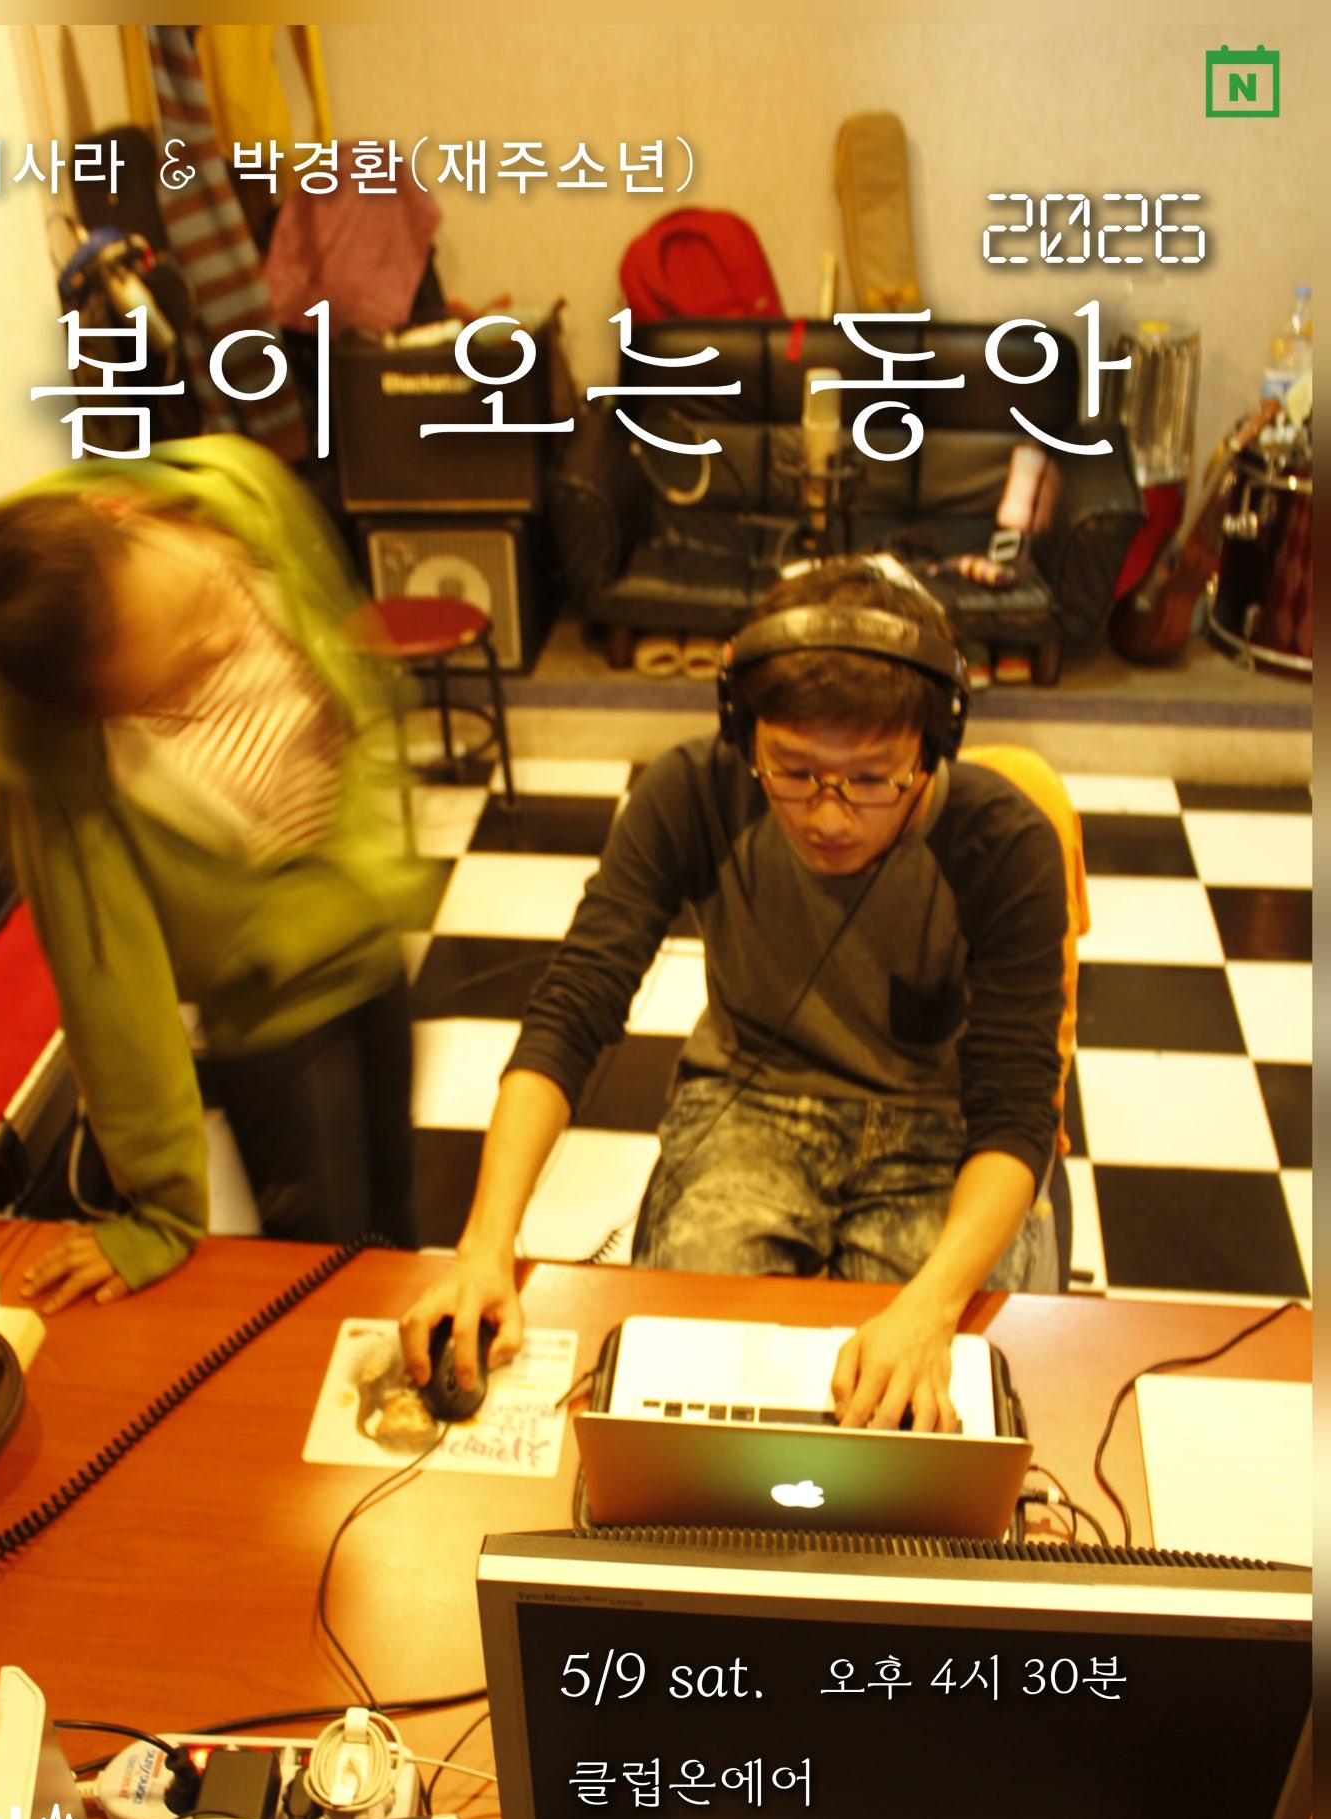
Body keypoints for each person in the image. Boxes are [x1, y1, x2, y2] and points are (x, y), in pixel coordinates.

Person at [400, 556, 1068, 1430]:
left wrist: (933, 1306)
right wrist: (484, 1246)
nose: (828, 816)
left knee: (914, 1415)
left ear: (934, 744)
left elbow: (1017, 1108)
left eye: (873, 779)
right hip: (751, 1105)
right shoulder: (692, 791)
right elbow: (575, 1003)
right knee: (681, 1371)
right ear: (741, 729)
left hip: (938, 1126)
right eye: (792, 770)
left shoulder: (1006, 844)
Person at [0, 433, 425, 1313]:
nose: (222, 637)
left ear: (123, 512)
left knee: (400, 1229)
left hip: (372, 942)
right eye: (169, 687)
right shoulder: (56, 748)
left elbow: (349, 674)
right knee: (327, 1280)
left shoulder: (243, 495)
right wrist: (162, 1211)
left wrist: (379, 862)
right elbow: (109, 976)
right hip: (275, 1016)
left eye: (194, 607)